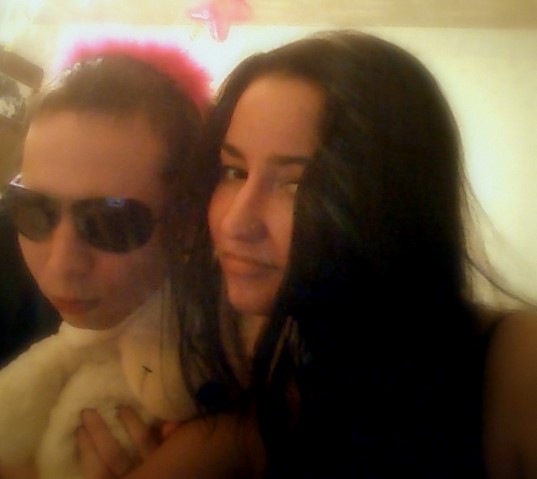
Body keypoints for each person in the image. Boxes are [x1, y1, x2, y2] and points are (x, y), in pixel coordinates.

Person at [77, 30, 537, 478]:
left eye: (297, 183)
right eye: (234, 171)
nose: (236, 222)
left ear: (393, 200)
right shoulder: (256, 379)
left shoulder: (516, 362)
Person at [0, 38, 211, 478]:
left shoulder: (216, 377)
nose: (61, 265)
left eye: (111, 223)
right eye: (33, 209)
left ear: (188, 223)